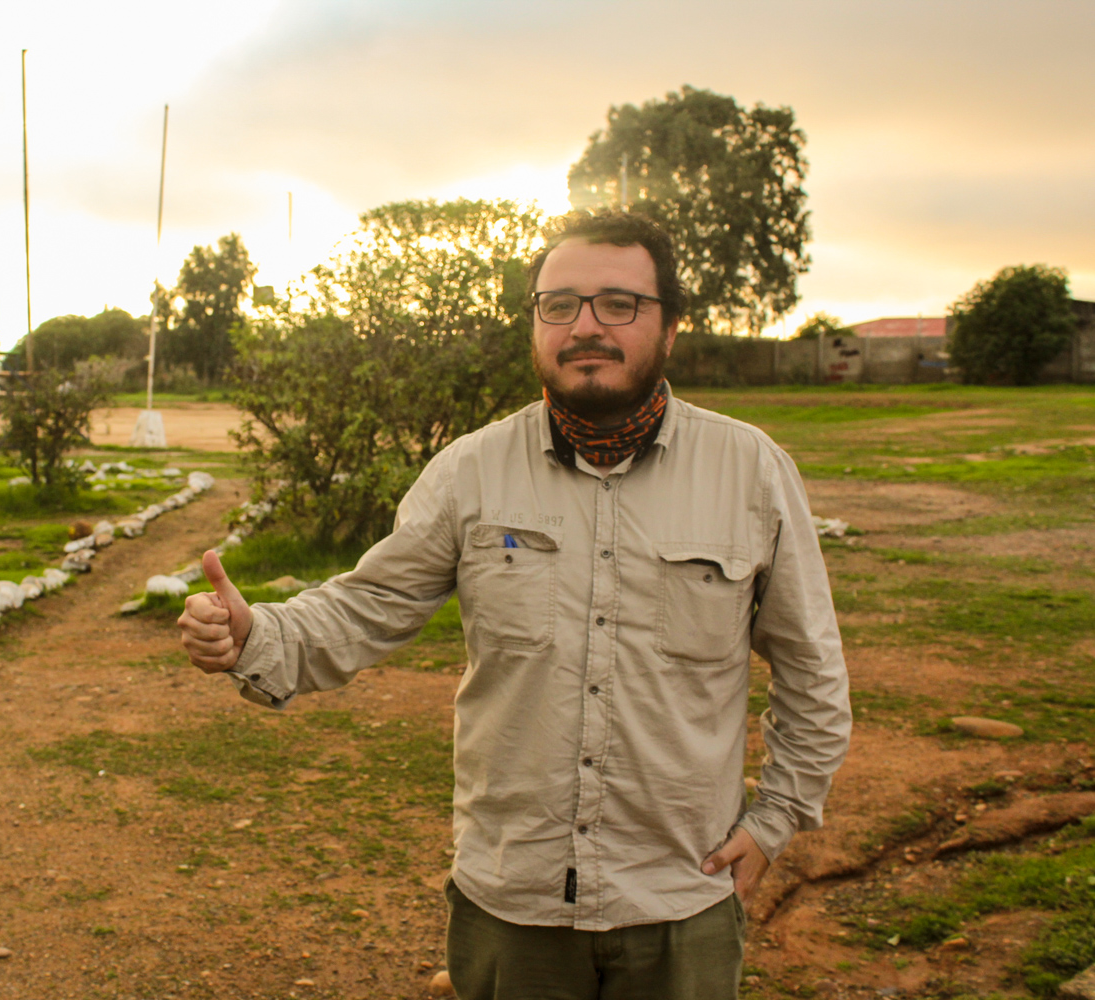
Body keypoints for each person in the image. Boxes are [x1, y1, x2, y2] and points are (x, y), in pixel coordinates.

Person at [177, 210, 851, 1000]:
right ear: (535, 324)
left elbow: (812, 670)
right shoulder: (472, 472)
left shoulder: (751, 472)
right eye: (558, 304)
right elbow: (366, 607)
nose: (585, 326)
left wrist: (773, 824)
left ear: (670, 328)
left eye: (618, 304)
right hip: (513, 903)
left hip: (680, 904)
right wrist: (259, 631)